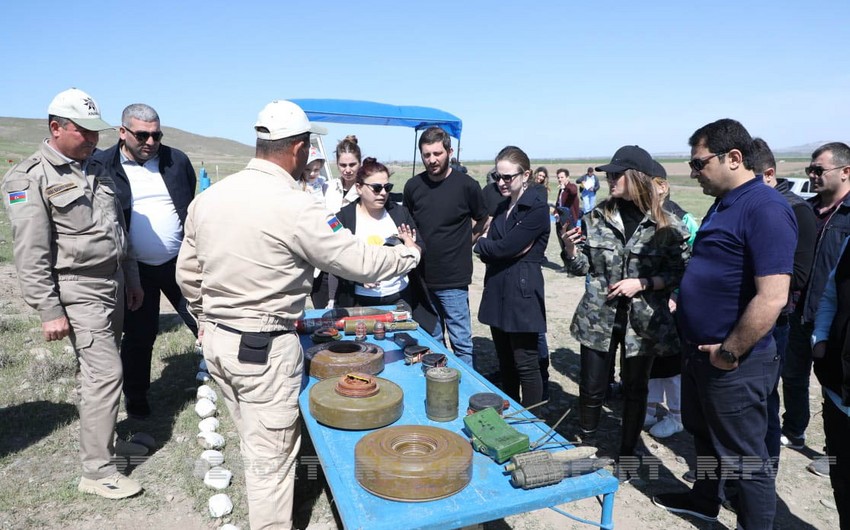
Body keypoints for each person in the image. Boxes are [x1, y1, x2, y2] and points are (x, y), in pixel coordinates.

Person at [176, 100, 421, 529]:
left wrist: (205, 321)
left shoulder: (210, 198)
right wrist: (407, 256)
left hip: (217, 343)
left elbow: (188, 275)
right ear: (299, 149)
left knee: (255, 444)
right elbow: (356, 261)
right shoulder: (296, 205)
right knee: (269, 465)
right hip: (262, 351)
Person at [653, 119, 796, 528]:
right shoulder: (725, 201)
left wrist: (729, 353)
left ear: (733, 158)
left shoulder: (765, 208)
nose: (694, 173)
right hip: (701, 352)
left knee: (747, 460)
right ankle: (704, 500)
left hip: (733, 361)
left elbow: (772, 297)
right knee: (705, 436)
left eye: (699, 164)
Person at [2, 88, 143, 499]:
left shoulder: (96, 168)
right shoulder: (29, 178)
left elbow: (120, 230)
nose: (93, 139)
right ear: (55, 127)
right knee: (106, 374)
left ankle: (109, 446)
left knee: (99, 374)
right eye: (83, 132)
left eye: (96, 132)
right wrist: (49, 309)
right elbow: (29, 252)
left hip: (113, 282)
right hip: (78, 289)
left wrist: (131, 278)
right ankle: (96, 472)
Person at [562, 145, 689, 472]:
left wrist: (644, 284)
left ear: (638, 178)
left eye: (618, 174)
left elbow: (681, 272)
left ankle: (628, 452)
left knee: (636, 390)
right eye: (610, 174)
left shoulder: (668, 224)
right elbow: (580, 268)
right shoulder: (595, 217)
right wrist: (568, 248)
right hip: (598, 318)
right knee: (592, 387)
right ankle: (587, 444)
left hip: (642, 324)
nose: (610, 179)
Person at [93, 103, 198, 420]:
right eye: (142, 135)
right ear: (122, 132)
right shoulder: (102, 164)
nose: (151, 142)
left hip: (179, 263)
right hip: (133, 268)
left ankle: (226, 379)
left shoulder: (175, 160)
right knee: (140, 335)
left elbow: (190, 205)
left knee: (204, 320)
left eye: (157, 135)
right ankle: (136, 397)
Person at [780, 142, 850, 462]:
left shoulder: (848, 217)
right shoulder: (805, 210)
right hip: (799, 310)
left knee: (833, 383)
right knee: (793, 376)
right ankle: (794, 430)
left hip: (836, 319)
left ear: (845, 172)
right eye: (810, 169)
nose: (812, 175)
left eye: (819, 170)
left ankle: (831, 451)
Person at [751, 138, 816, 465]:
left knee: (762, 399)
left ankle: (760, 470)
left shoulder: (796, 210)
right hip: (747, 315)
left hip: (773, 319)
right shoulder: (752, 205)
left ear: (769, 174)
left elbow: (800, 275)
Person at [403, 126, 488, 369]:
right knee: (432, 341)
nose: (432, 160)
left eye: (437, 153)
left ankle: (465, 392)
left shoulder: (467, 185)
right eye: (427, 155)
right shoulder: (413, 187)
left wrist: (466, 242)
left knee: (461, 343)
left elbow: (483, 218)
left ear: (449, 152)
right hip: (421, 278)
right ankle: (438, 387)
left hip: (453, 280)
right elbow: (408, 224)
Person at [475, 146, 551, 407]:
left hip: (522, 293)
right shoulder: (502, 207)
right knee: (505, 362)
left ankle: (532, 420)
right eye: (498, 176)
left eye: (508, 177)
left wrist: (488, 244)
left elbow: (503, 247)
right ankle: (510, 413)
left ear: (526, 175)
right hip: (497, 288)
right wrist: (490, 246)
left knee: (526, 363)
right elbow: (492, 250)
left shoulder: (536, 209)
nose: (502, 182)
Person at [333, 157, 437, 331]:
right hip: (358, 302)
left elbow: (420, 248)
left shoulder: (399, 213)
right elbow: (332, 258)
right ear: (359, 188)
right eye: (376, 188)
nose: (383, 193)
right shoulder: (343, 218)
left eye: (387, 188)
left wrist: (411, 245)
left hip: (399, 298)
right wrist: (357, 277)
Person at [643, 159, 698, 439]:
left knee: (672, 364)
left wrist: (676, 293)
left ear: (662, 187)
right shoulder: (647, 215)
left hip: (672, 304)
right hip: (651, 307)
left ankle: (677, 415)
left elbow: (692, 263)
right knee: (653, 360)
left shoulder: (681, 218)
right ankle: (651, 409)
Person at [811, 235, 850, 529]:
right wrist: (821, 337)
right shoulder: (849, 243)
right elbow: (831, 296)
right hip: (839, 393)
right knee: (842, 482)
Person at [312, 135, 362, 309]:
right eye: (343, 165)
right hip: (326, 265)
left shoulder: (366, 191)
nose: (347, 170)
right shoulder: (328, 187)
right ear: (336, 164)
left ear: (360, 164)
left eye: (352, 165)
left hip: (352, 265)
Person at [553, 168, 581, 268]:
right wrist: (556, 212)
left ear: (567, 178)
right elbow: (558, 204)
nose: (560, 179)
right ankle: (566, 266)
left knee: (571, 244)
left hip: (569, 222)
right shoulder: (561, 190)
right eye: (558, 177)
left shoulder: (571, 187)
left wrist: (566, 186)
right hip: (560, 221)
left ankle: (574, 267)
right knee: (562, 244)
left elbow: (573, 192)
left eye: (562, 177)